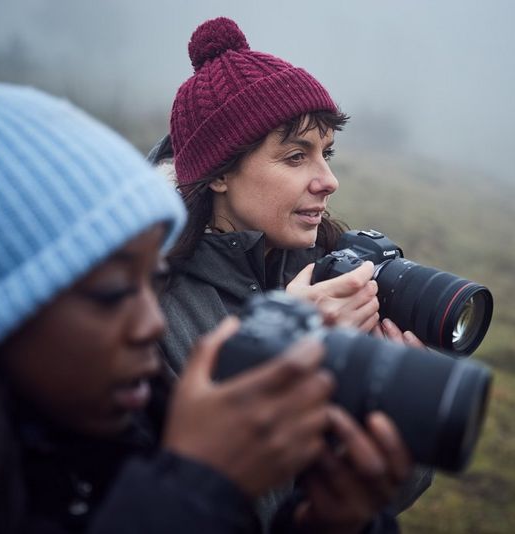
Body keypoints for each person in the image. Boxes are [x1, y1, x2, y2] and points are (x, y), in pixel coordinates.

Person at [0, 83, 404, 533]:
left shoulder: (117, 438)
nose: (152, 322)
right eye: (113, 293)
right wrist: (197, 490)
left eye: (152, 279)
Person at [149, 16, 433, 525]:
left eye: (326, 153)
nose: (329, 180)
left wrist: (393, 417)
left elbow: (373, 501)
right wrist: (282, 358)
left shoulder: (326, 273)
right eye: (296, 156)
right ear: (219, 173)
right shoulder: (153, 313)